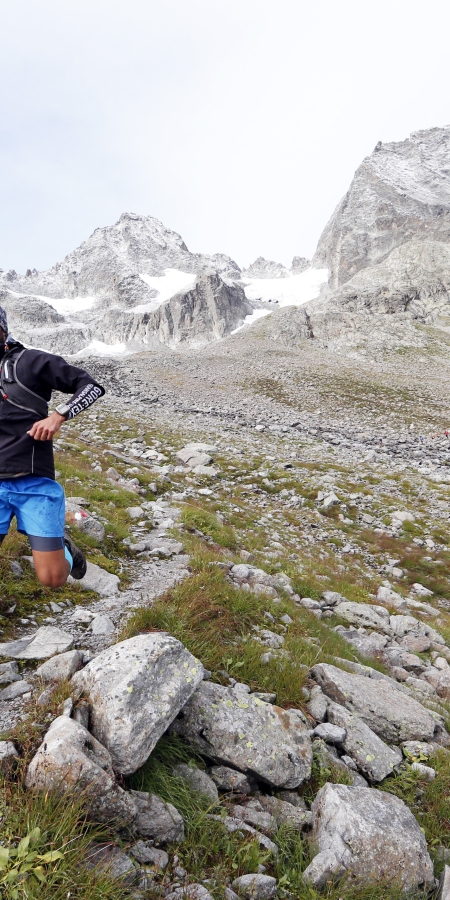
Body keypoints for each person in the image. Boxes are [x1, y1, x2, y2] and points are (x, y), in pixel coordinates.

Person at [0, 306, 105, 588]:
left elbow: (90, 386)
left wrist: (58, 415)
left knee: (53, 579)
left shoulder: (30, 361)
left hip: (32, 481)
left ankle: (64, 547)